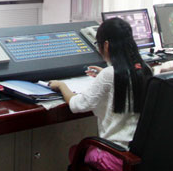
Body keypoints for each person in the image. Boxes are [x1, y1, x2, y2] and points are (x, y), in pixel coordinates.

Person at [49, 18, 153, 171]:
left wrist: (61, 85)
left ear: (106, 45)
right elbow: (123, 79)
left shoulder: (109, 75)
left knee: (75, 151)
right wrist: (105, 73)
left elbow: (77, 105)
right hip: (138, 156)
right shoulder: (145, 69)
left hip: (115, 157)